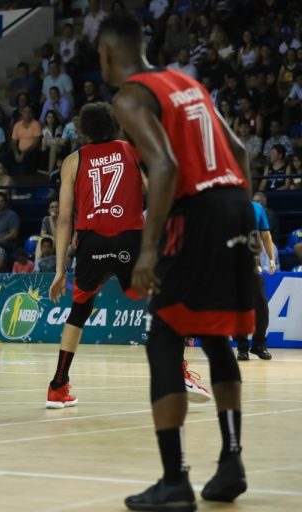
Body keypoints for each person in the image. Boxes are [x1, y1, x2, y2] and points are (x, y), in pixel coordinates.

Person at [98, 14, 257, 509]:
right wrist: (247, 220)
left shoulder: (129, 96)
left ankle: (174, 481)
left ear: (107, 53)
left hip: (197, 213)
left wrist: (148, 250)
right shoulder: (187, 83)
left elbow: (164, 165)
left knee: (164, 335)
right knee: (214, 335)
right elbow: (240, 152)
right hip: (234, 204)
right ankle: (231, 462)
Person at [47, 102, 146, 409]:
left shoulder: (72, 161)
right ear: (115, 124)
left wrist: (60, 270)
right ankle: (177, 371)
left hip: (91, 243)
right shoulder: (133, 150)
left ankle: (58, 386)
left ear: (83, 130)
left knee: (79, 310)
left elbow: (64, 218)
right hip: (129, 237)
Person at [235, 201, 275, 361]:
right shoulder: (224, 206)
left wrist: (271, 259)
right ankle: (242, 347)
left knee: (261, 305)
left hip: (252, 263)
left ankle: (259, 345)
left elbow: (266, 235)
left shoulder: (257, 208)